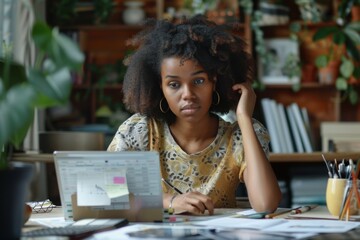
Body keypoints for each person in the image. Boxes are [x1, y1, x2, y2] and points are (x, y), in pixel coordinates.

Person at [108, 15, 282, 215]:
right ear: (160, 88)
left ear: (214, 82)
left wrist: (243, 117)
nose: (188, 95)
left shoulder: (239, 136)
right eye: (174, 85)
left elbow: (266, 204)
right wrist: (170, 201)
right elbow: (106, 192)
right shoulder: (140, 130)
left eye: (198, 81)